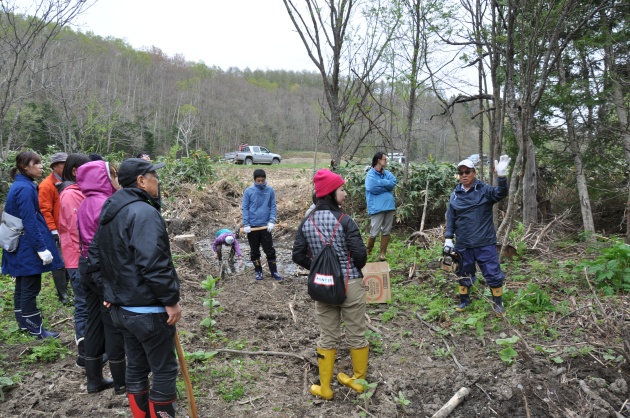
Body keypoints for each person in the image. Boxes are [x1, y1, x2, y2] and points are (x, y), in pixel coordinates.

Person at [89, 158, 181, 416]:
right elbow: (153, 263)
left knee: (137, 366)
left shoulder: (111, 212)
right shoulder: (144, 213)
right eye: (154, 176)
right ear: (141, 181)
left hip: (122, 311)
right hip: (147, 311)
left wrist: (108, 291)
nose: (158, 181)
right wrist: (170, 300)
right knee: (164, 369)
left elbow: (92, 259)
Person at [292, 169, 368, 400]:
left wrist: (318, 266)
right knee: (357, 334)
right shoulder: (345, 221)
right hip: (350, 284)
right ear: (331, 193)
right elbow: (361, 256)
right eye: (342, 189)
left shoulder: (307, 222)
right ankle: (358, 380)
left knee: (327, 336)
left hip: (322, 287)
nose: (344, 193)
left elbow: (297, 255)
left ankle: (325, 387)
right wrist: (345, 265)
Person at [3, 151, 64, 338]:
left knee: (22, 284)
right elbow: (29, 220)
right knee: (30, 286)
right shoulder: (25, 188)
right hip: (26, 246)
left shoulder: (23, 184)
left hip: (21, 244)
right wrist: (41, 248)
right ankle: (35, 329)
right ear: (24, 166)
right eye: (35, 163)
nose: (40, 166)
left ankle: (23, 324)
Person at [77, 160, 126, 394]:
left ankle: (94, 379)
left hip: (84, 264)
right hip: (102, 267)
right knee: (112, 322)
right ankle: (121, 382)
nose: (116, 182)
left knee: (93, 321)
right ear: (104, 178)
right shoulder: (106, 203)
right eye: (113, 177)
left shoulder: (85, 202)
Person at [445, 155, 511, 315]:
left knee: (493, 273)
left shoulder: (485, 191)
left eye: (467, 171)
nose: (464, 175)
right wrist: (448, 238)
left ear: (474, 173)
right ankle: (464, 301)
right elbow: (451, 218)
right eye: (461, 173)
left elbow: (501, 192)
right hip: (463, 243)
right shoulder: (455, 195)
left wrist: (501, 177)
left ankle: (498, 304)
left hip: (484, 242)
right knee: (462, 272)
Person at [57, 153, 90, 367]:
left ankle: (92, 350)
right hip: (78, 259)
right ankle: (84, 355)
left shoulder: (80, 192)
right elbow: (75, 230)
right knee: (83, 304)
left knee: (88, 304)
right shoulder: (70, 195)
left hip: (83, 257)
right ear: (77, 171)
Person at [38, 151, 71, 304]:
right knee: (58, 262)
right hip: (56, 229)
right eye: (64, 164)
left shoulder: (69, 181)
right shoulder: (46, 185)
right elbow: (45, 210)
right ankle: (62, 294)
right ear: (55, 167)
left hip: (68, 227)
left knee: (69, 258)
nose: (67, 167)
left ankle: (68, 288)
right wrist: (53, 229)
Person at [242, 169, 283, 281]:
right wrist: (246, 223)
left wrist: (271, 221)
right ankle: (258, 272)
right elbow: (245, 208)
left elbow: (273, 206)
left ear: (265, 179)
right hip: (252, 227)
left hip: (265, 226)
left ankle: (274, 272)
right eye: (258, 180)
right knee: (254, 251)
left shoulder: (269, 191)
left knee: (269, 250)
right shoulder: (249, 191)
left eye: (262, 180)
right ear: (254, 180)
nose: (260, 182)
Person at [365, 152, 397, 261]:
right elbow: (372, 187)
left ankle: (383, 253)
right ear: (379, 160)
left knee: (387, 231)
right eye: (384, 159)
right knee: (374, 231)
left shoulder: (387, 173)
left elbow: (392, 183)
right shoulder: (370, 174)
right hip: (377, 208)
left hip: (389, 206)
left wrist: (380, 183)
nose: (386, 161)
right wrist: (386, 186)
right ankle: (368, 251)